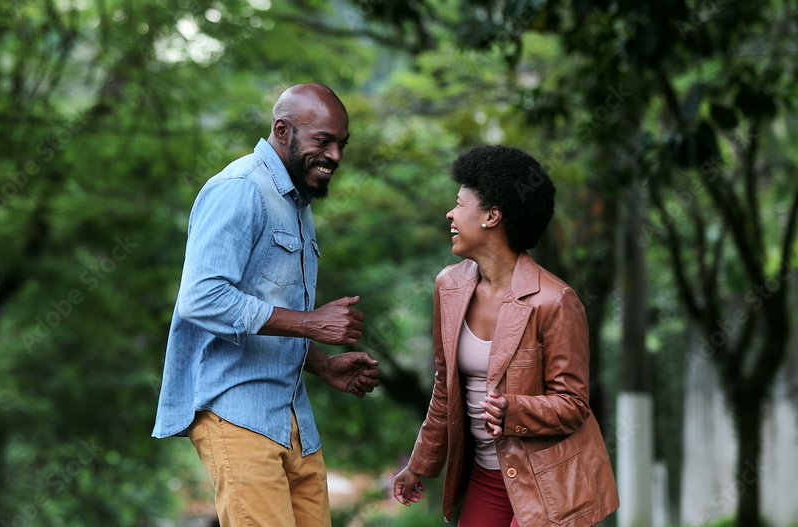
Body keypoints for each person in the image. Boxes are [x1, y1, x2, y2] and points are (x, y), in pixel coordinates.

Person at [153, 82, 382, 527]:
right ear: (283, 130)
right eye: (323, 141)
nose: (335, 155)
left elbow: (265, 311)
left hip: (294, 420)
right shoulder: (240, 189)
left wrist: (322, 365)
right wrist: (312, 323)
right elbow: (200, 298)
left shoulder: (296, 201)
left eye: (341, 144)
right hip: (237, 415)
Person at [392, 145, 619, 526]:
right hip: (487, 477)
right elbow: (445, 388)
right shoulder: (448, 286)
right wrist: (420, 464)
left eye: (460, 204)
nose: (450, 213)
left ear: (492, 217)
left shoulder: (555, 300)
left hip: (549, 482)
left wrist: (515, 410)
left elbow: (574, 403)